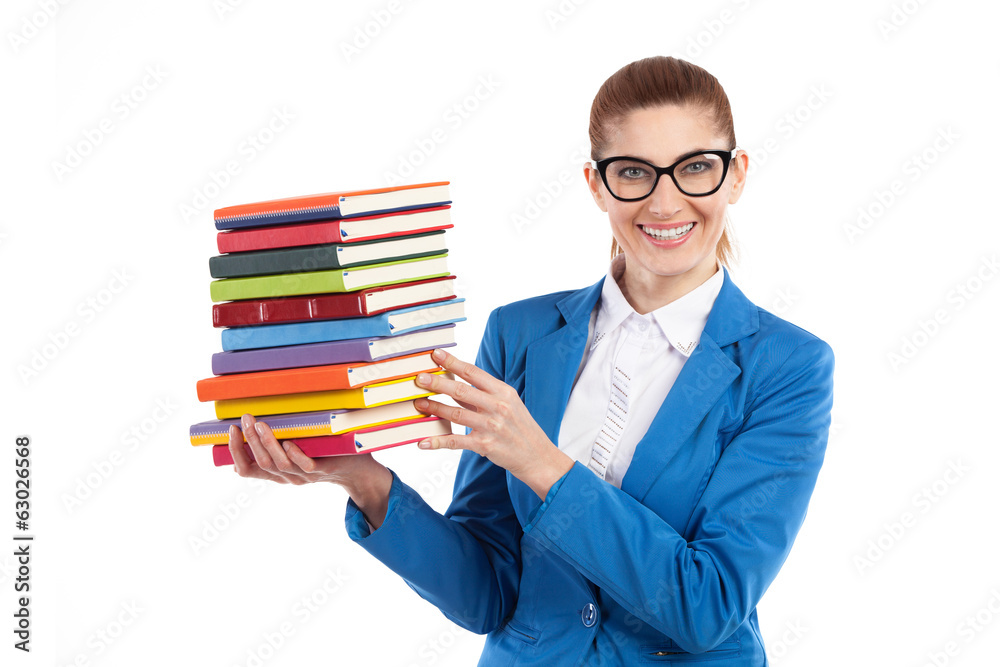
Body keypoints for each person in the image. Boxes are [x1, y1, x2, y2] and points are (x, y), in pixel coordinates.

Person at [228, 55, 835, 666]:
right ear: (598, 185)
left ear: (735, 175)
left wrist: (540, 461)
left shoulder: (788, 368)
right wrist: (366, 482)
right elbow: (488, 596)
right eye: (633, 172)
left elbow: (706, 606)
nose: (665, 202)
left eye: (695, 167)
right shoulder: (520, 333)